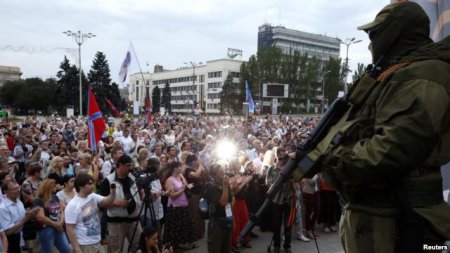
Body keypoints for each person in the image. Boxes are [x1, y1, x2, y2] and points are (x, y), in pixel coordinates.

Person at [316, 2, 450, 252]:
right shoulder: (395, 74)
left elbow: (391, 149)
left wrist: (332, 160)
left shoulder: (421, 76)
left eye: (374, 35)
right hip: (379, 214)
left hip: (396, 219)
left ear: (396, 33)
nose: (370, 44)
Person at [99, 154, 143, 253]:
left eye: (131, 165)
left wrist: (142, 194)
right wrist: (115, 203)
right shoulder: (108, 181)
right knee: (116, 249)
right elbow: (101, 203)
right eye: (128, 165)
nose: (130, 168)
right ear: (119, 165)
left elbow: (138, 195)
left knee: (138, 247)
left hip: (134, 220)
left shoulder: (133, 177)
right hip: (117, 222)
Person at [65, 173, 116, 253]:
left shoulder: (92, 196)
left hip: (97, 242)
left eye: (92, 183)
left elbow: (107, 201)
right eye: (89, 184)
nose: (93, 186)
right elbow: (70, 229)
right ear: (81, 186)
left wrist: (113, 191)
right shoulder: (72, 205)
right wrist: (77, 249)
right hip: (85, 245)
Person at [266, 147, 296, 253]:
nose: (282, 156)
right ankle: (277, 245)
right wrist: (277, 184)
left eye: (284, 154)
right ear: (276, 155)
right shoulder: (271, 168)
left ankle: (287, 245)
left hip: (288, 199)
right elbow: (268, 183)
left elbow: (296, 183)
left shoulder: (290, 168)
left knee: (288, 224)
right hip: (276, 200)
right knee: (276, 224)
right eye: (280, 154)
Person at [0, 180, 39, 252]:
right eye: (14, 189)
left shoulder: (19, 202)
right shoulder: (3, 208)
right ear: (6, 192)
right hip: (8, 240)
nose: (18, 190)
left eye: (18, 187)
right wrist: (26, 218)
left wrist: (31, 213)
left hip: (19, 237)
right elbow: (8, 231)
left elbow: (23, 216)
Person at [34, 179, 70, 253]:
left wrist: (61, 222)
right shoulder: (39, 200)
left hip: (59, 228)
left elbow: (61, 210)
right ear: (49, 187)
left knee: (66, 250)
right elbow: (40, 217)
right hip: (46, 230)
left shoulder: (55, 197)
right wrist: (56, 224)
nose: (56, 187)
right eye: (54, 185)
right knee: (47, 251)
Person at [203, 163, 233, 253]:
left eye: (224, 172)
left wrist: (233, 220)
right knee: (215, 249)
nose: (223, 175)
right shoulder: (210, 187)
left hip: (227, 221)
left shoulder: (225, 185)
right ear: (214, 175)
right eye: (220, 173)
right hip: (216, 224)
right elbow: (223, 202)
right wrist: (225, 186)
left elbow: (229, 202)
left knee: (227, 249)